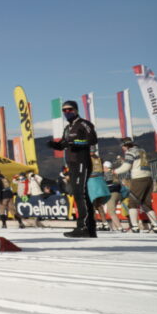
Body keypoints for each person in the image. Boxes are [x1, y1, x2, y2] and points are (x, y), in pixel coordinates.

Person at [48, 100, 98, 238]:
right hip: (72, 164)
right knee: (79, 194)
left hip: (82, 162)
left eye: (69, 109)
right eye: (64, 110)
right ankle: (89, 228)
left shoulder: (84, 124)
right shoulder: (68, 128)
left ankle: (84, 227)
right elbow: (64, 144)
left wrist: (76, 142)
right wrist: (54, 145)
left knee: (80, 194)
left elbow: (93, 140)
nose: (66, 112)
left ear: (76, 110)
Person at [114, 140, 157, 233]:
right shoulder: (142, 150)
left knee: (132, 202)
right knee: (146, 203)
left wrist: (115, 171)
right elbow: (136, 164)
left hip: (138, 178)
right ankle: (156, 226)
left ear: (126, 145)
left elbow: (126, 167)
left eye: (122, 146)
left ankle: (135, 227)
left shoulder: (130, 152)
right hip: (148, 178)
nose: (122, 148)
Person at [86, 153, 111, 231]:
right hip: (100, 181)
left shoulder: (87, 159)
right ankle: (105, 223)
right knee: (99, 204)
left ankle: (96, 223)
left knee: (92, 204)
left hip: (92, 181)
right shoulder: (99, 159)